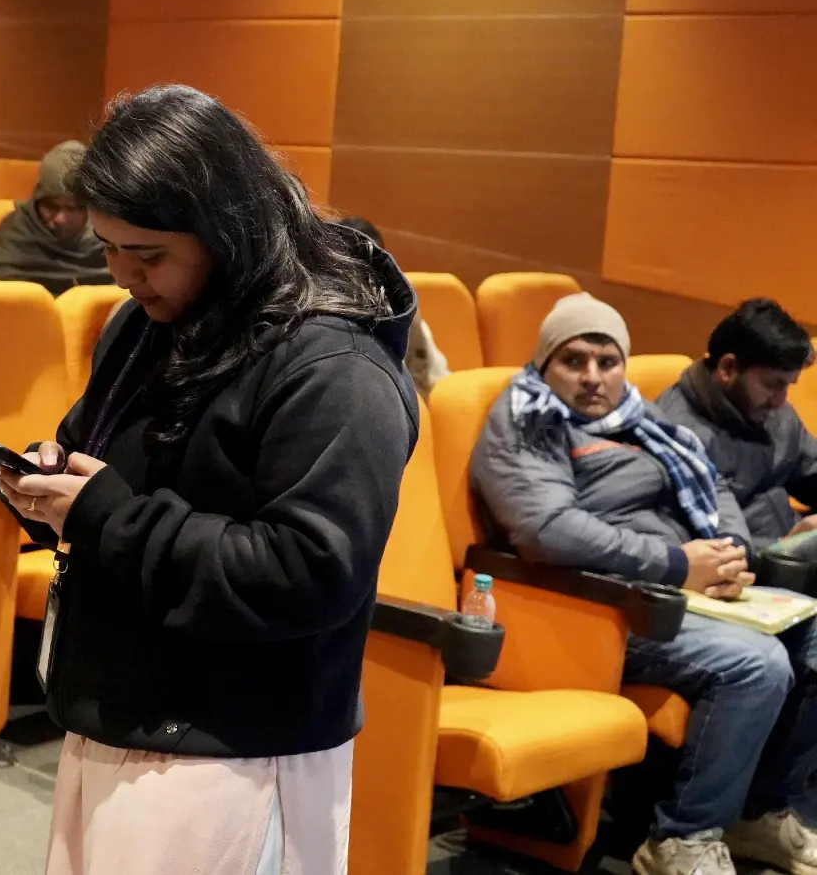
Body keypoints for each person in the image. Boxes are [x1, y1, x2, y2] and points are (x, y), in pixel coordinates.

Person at [0, 85, 418, 875]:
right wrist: (51, 484)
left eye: (148, 255)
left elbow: (308, 573)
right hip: (124, 709)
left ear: (226, 229)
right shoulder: (148, 322)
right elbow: (98, 459)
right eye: (107, 247)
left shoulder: (336, 368)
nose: (122, 274)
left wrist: (104, 516)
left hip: (235, 749)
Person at [469, 293, 817, 875]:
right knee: (756, 665)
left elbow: (709, 480)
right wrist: (678, 565)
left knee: (814, 639)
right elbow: (547, 530)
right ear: (544, 362)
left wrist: (730, 553)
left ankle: (757, 811)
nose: (592, 376)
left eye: (607, 362)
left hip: (668, 590)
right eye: (573, 360)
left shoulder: (635, 414)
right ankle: (681, 837)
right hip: (594, 606)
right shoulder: (530, 420)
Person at [659, 299, 817, 565]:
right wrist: (788, 548)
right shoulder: (677, 435)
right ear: (727, 368)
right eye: (773, 385)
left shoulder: (772, 413)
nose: (780, 401)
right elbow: (705, 548)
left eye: (788, 386)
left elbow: (811, 468)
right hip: (751, 569)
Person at [0, 140, 112, 296]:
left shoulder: (107, 241)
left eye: (73, 209)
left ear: (90, 209)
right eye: (51, 207)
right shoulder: (13, 236)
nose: (61, 219)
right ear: (36, 201)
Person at [337, 217, 451, 398]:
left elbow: (433, 380)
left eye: (370, 268)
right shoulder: (323, 319)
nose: (363, 281)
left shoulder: (404, 312)